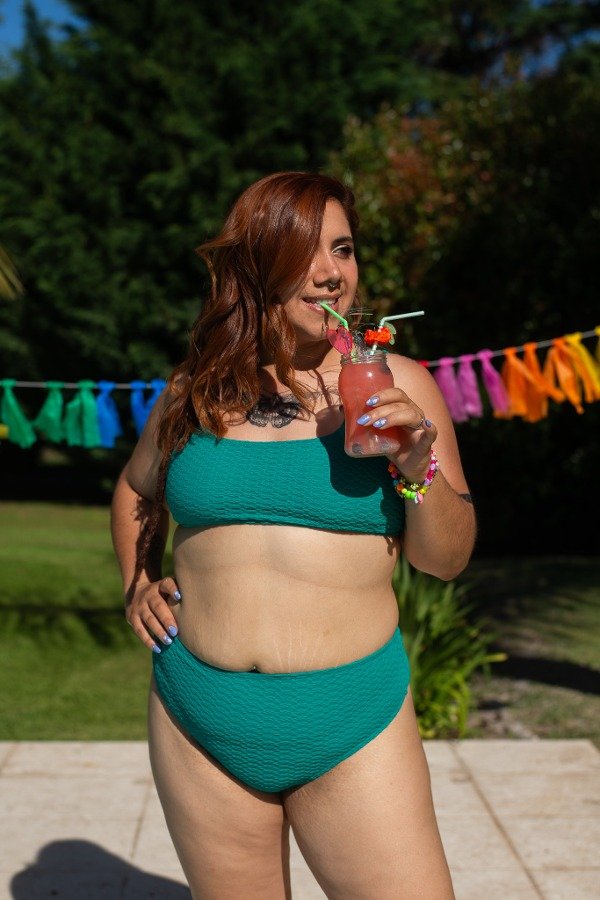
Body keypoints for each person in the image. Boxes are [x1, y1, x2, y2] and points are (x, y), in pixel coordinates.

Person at [110, 171, 476, 899]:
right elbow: (135, 490)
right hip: (197, 714)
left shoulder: (397, 385)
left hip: (352, 718)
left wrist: (417, 466)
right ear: (256, 265)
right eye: (306, 251)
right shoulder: (195, 391)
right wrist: (137, 581)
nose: (332, 272)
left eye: (343, 249)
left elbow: (446, 560)